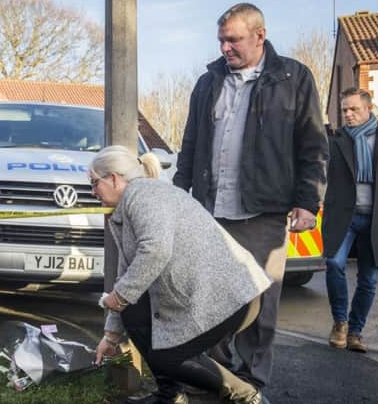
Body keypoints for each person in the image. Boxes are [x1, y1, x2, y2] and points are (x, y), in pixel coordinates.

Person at [172, 2, 329, 389]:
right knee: (211, 299)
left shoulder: (294, 77)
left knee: (259, 301)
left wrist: (309, 201)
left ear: (259, 35)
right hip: (212, 210)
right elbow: (190, 145)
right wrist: (179, 196)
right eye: (222, 40)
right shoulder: (208, 83)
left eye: (233, 39)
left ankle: (252, 379)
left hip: (264, 211)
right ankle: (219, 375)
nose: (225, 48)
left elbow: (313, 146)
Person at [91, 146, 273, 404]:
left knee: (169, 357)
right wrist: (111, 336)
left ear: (113, 178)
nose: (92, 191)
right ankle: (171, 396)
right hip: (217, 297)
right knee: (134, 309)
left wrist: (119, 297)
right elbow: (128, 275)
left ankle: (246, 395)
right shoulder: (134, 201)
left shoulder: (143, 195)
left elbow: (155, 250)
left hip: (232, 298)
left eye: (93, 183)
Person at [323, 88, 378, 352]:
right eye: (344, 110)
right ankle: (340, 323)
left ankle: (355, 332)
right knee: (334, 264)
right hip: (343, 217)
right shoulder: (335, 141)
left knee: (368, 279)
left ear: (368, 109)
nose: (347, 114)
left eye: (353, 109)